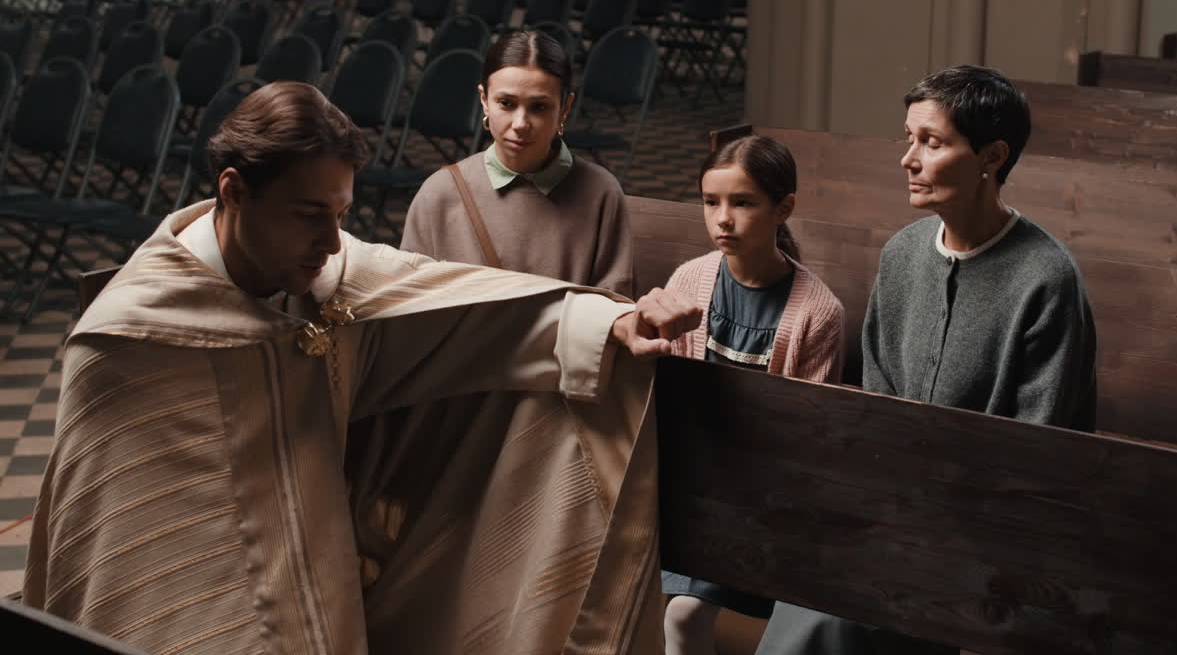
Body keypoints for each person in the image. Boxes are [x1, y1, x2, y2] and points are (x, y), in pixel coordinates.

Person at [22, 81, 700, 655]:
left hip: (323, 587)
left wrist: (608, 323)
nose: (329, 242)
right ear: (233, 191)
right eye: (309, 216)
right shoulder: (127, 340)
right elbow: (115, 541)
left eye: (342, 215)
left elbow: (471, 317)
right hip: (188, 614)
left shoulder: (331, 268)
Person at [757, 65, 1097, 653]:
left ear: (991, 155)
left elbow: (1042, 449)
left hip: (993, 529)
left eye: (932, 143)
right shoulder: (904, 253)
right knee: (809, 578)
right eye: (908, 138)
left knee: (837, 617)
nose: (907, 159)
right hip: (896, 505)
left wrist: (929, 514)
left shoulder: (1046, 279)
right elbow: (878, 395)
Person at [660, 135, 846, 655]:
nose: (723, 219)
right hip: (688, 484)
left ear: (782, 208)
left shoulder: (817, 311)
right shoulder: (690, 280)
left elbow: (808, 434)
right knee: (673, 612)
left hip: (761, 497)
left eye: (742, 203)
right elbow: (668, 396)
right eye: (710, 202)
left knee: (684, 613)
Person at [401, 29, 634, 297]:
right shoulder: (440, 193)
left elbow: (614, 308)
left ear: (565, 108)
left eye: (539, 107)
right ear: (484, 101)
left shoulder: (600, 192)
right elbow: (409, 305)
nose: (520, 124)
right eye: (506, 103)